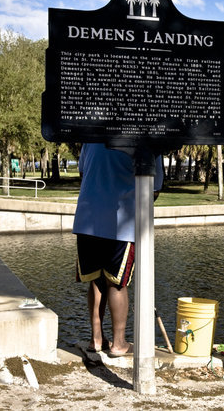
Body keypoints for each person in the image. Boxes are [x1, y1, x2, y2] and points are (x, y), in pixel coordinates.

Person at [72, 143, 164, 357]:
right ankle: (119, 343)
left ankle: (96, 339)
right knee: (117, 283)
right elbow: (154, 189)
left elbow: (83, 172)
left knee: (96, 279)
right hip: (120, 222)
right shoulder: (145, 138)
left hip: (88, 218)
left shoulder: (91, 137)